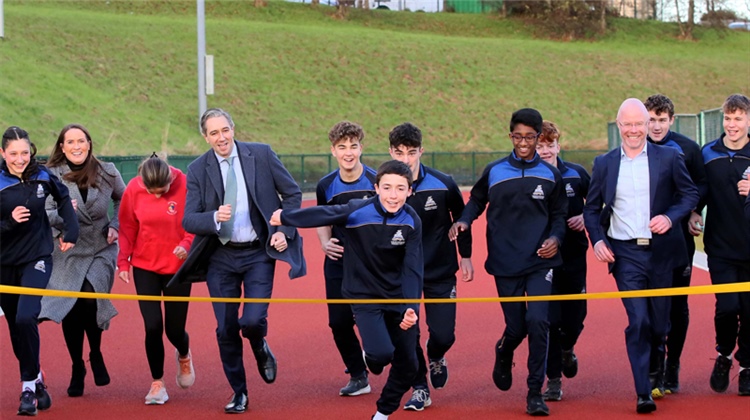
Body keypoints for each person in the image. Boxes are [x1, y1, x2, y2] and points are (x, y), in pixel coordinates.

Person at [173, 108, 306, 414]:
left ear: (233, 128)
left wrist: (283, 229)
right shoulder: (197, 169)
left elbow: (293, 194)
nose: (221, 138)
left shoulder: (261, 154)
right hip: (221, 256)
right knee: (225, 328)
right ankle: (239, 392)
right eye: (214, 133)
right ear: (205, 137)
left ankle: (259, 344)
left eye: (225, 130)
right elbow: (190, 219)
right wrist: (214, 218)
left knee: (252, 321)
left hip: (259, 252)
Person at [271, 160, 422, 420]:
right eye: (387, 188)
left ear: (410, 191)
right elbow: (322, 214)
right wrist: (286, 217)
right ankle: (371, 356)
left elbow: (412, 267)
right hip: (364, 295)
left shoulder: (411, 220)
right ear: (376, 188)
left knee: (409, 364)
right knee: (381, 355)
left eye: (400, 189)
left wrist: (411, 307)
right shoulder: (357, 211)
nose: (393, 195)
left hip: (398, 297)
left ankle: (382, 413)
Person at [449, 108, 567, 416]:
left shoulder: (551, 174)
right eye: (519, 136)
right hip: (505, 260)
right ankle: (504, 350)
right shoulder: (495, 170)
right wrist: (464, 221)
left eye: (531, 137)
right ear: (510, 136)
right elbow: (475, 200)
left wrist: (556, 240)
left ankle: (533, 392)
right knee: (517, 328)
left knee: (539, 321)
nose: (525, 142)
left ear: (539, 137)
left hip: (541, 262)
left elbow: (559, 217)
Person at [583, 98, 698, 413]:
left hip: (662, 253)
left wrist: (671, 217)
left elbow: (690, 193)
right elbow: (591, 210)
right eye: (628, 124)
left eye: (639, 123)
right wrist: (598, 241)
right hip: (625, 254)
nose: (634, 130)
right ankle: (643, 391)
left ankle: (656, 366)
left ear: (648, 125)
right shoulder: (605, 163)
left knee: (660, 325)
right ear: (619, 126)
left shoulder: (670, 157)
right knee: (639, 321)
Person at [387, 122, 474, 412]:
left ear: (421, 151)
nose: (405, 160)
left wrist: (466, 256)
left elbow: (462, 219)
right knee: (407, 334)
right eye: (399, 153)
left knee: (443, 335)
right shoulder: (384, 188)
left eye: (411, 153)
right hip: (400, 276)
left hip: (440, 270)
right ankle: (420, 388)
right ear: (391, 152)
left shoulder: (443, 183)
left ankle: (436, 354)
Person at [40, 123, 125, 397]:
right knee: (72, 307)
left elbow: (125, 200)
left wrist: (115, 225)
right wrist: (65, 214)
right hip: (67, 247)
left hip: (100, 247)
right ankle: (78, 365)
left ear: (89, 143)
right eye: (70, 142)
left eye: (81, 141)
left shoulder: (108, 171)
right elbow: (45, 213)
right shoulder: (50, 174)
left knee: (91, 296)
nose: (76, 146)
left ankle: (96, 353)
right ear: (62, 147)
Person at [0, 126, 79, 416]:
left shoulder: (43, 174)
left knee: (26, 316)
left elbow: (62, 199)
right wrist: (8, 221)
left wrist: (72, 230)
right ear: (2, 153)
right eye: (13, 154)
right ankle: (38, 379)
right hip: (3, 264)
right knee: (16, 327)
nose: (20, 159)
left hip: (37, 256)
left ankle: (28, 389)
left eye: (24, 152)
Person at [117, 154, 197, 404]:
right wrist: (123, 261)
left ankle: (183, 352)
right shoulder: (133, 188)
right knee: (152, 326)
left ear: (170, 178)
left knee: (174, 330)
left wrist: (186, 244)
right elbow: (128, 226)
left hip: (178, 267)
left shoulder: (185, 184)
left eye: (161, 191)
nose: (157, 196)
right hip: (145, 266)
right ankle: (157, 383)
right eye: (151, 192)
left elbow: (193, 223)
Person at [643, 94, 707, 397]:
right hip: (643, 243)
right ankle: (653, 364)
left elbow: (701, 184)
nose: (656, 126)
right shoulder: (633, 147)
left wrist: (694, 210)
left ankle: (673, 365)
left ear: (672, 119)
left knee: (678, 306)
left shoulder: (688, 148)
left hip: (679, 239)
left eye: (661, 119)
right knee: (649, 307)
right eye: (651, 120)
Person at [691, 93, 750, 396]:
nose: (732, 124)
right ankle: (725, 355)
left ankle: (747, 364)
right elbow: (699, 190)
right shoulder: (708, 153)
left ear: (748, 121)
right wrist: (691, 212)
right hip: (721, 246)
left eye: (738, 118)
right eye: (728, 118)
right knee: (728, 307)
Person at [315, 121, 377, 396]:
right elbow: (321, 218)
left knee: (375, 318)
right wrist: (325, 243)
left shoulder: (377, 181)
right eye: (342, 147)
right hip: (339, 262)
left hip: (373, 263)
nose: (348, 152)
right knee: (339, 322)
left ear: (361, 148)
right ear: (333, 151)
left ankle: (377, 354)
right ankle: (358, 375)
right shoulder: (326, 185)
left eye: (353, 146)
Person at [535, 121, 590, 402]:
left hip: (575, 257)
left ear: (559, 145)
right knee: (551, 321)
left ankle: (568, 349)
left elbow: (597, 203)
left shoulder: (576, 174)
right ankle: (553, 381)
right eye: (540, 145)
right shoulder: (530, 177)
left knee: (576, 318)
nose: (544, 151)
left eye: (549, 145)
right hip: (545, 261)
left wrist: (586, 217)